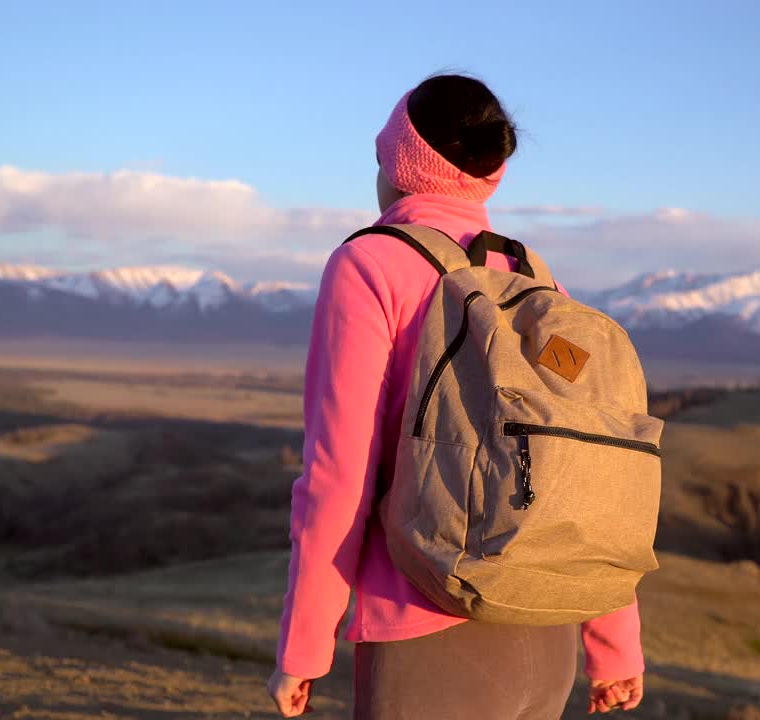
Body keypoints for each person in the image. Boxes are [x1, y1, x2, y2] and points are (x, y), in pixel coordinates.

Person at [267, 74, 646, 719]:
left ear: (400, 166)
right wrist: (615, 648)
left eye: (380, 156)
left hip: (425, 628)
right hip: (546, 623)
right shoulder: (532, 273)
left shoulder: (370, 265)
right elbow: (583, 464)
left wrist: (304, 647)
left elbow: (338, 479)